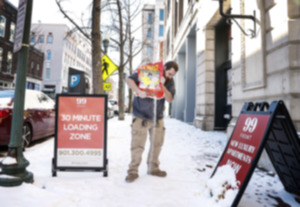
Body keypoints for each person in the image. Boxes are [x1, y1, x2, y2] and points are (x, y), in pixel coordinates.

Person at [125, 61, 179, 183]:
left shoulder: (169, 81)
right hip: (140, 116)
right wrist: (138, 90)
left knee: (157, 144)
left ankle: (153, 168)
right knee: (137, 146)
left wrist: (163, 85)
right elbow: (129, 80)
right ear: (164, 68)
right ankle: (133, 172)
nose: (170, 76)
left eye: (172, 75)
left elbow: (170, 99)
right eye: (169, 73)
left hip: (157, 118)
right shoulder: (149, 71)